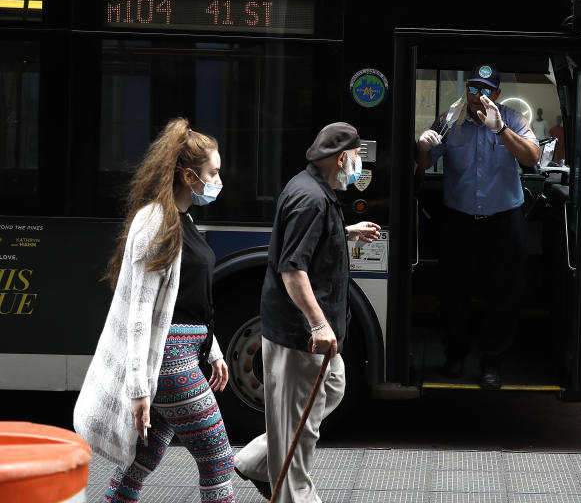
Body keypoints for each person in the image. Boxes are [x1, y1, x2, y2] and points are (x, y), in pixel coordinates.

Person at [74, 118, 235, 503]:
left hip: (182, 357)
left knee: (142, 460)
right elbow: (139, 315)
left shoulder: (184, 220)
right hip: (169, 365)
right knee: (218, 458)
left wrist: (212, 352)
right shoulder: (156, 223)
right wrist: (138, 390)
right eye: (214, 173)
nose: (219, 181)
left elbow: (187, 300)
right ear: (189, 176)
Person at [234, 122, 380, 503]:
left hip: (307, 334)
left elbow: (306, 243)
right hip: (300, 336)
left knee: (332, 386)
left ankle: (255, 460)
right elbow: (292, 269)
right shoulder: (311, 199)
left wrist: (346, 232)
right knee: (297, 438)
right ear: (341, 157)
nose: (359, 164)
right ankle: (294, 494)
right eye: (357, 156)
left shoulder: (314, 191)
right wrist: (318, 323)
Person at [416, 64, 540, 389]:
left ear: (496, 94)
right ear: (466, 89)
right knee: (454, 292)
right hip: (459, 220)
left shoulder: (511, 118)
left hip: (503, 219)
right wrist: (423, 146)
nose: (478, 96)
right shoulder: (450, 121)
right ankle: (455, 357)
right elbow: (424, 163)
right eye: (473, 88)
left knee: (502, 294)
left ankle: (492, 364)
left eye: (486, 90)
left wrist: (500, 130)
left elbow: (532, 157)